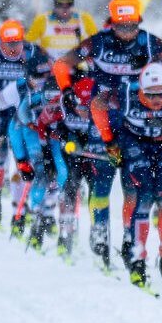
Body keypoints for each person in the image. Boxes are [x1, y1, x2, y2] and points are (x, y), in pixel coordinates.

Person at [57, 0, 162, 244]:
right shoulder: (98, 42)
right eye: (122, 26)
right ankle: (99, 230)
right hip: (102, 118)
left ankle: (129, 233)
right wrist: (67, 90)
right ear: (112, 24)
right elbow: (61, 65)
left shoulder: (150, 42)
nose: (127, 32)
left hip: (135, 121)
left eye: (132, 26)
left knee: (132, 184)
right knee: (102, 179)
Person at [97, 63, 162, 292]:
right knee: (143, 194)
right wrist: (109, 141)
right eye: (150, 95)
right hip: (135, 142)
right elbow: (97, 105)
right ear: (140, 89)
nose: (156, 100)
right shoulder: (125, 93)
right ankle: (137, 258)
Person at [0, 19, 51, 228]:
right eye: (9, 44)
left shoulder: (33, 52)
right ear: (0, 41)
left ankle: (23, 209)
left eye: (17, 43)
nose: (14, 48)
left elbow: (51, 71)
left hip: (25, 111)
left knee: (23, 162)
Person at [0, 66, 67, 249]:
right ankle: (20, 214)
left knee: (56, 172)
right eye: (36, 78)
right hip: (23, 135)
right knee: (26, 174)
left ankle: (46, 213)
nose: (40, 82)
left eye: (44, 77)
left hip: (48, 137)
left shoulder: (56, 88)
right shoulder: (18, 89)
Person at [56, 78, 113, 267]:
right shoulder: (66, 105)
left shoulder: (99, 111)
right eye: (79, 107)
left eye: (85, 108)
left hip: (94, 157)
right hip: (74, 155)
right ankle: (65, 235)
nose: (82, 112)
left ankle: (99, 238)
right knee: (70, 187)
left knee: (97, 194)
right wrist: (67, 141)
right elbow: (58, 130)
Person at [26, 0, 98, 59]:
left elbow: (97, 44)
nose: (64, 9)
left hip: (78, 64)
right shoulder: (42, 20)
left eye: (68, 4)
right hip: (51, 64)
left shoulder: (84, 19)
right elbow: (27, 44)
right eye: (60, 4)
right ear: (55, 4)